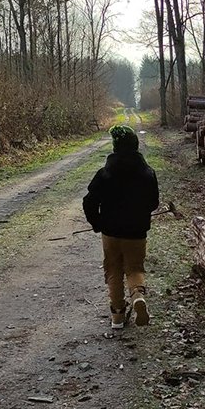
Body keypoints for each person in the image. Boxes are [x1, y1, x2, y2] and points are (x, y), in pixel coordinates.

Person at [83, 125, 159, 329]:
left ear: (115, 147)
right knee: (134, 268)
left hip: (111, 232)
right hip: (136, 232)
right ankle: (137, 295)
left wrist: (97, 223)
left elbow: (89, 202)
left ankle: (117, 315)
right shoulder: (147, 173)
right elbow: (153, 203)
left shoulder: (104, 174)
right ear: (136, 146)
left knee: (113, 270)